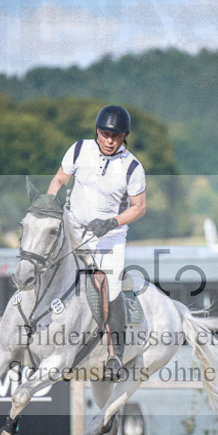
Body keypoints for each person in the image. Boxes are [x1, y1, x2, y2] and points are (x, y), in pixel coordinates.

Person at [47, 105, 146, 376]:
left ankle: (115, 354)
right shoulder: (79, 149)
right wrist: (50, 208)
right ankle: (14, 324)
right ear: (97, 131)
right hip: (73, 227)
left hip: (109, 238)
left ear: (124, 136)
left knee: (110, 286)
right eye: (105, 134)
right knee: (38, 257)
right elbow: (59, 179)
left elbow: (139, 207)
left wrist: (112, 222)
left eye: (116, 136)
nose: (110, 141)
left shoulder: (133, 167)